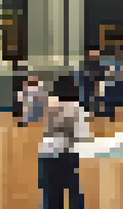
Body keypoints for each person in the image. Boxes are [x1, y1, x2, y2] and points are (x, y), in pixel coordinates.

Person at [37, 75, 93, 209]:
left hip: (47, 153)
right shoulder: (76, 108)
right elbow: (82, 135)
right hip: (67, 153)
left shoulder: (49, 105)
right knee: (74, 194)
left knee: (51, 196)